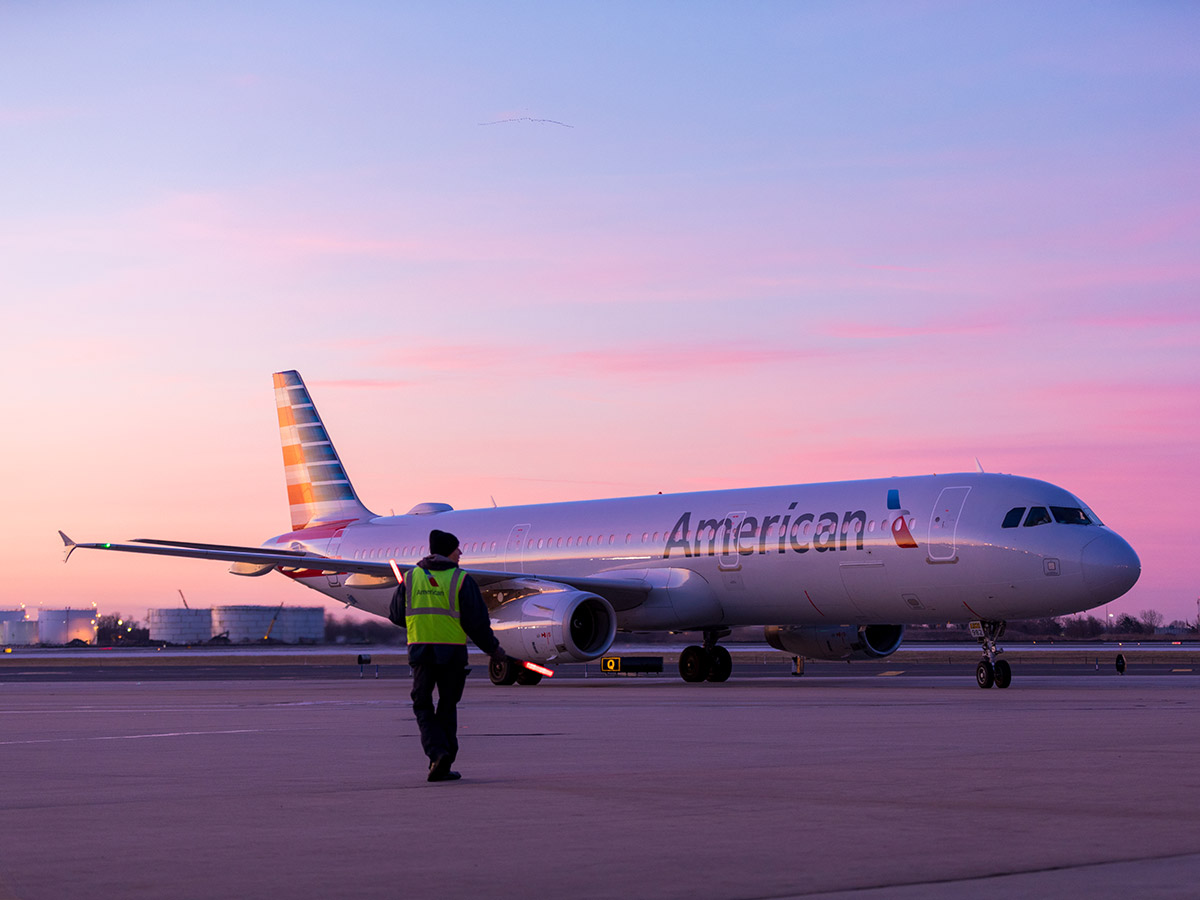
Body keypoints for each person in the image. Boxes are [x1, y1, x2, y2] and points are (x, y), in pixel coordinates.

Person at [394, 528, 507, 782]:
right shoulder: (462, 580)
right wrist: (494, 650)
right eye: (457, 548)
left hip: (421, 652)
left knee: (422, 704)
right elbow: (476, 623)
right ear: (448, 551)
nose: (461, 553)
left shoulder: (411, 578)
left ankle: (437, 753)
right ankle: (444, 757)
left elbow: (395, 614)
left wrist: (420, 624)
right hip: (452, 655)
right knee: (447, 705)